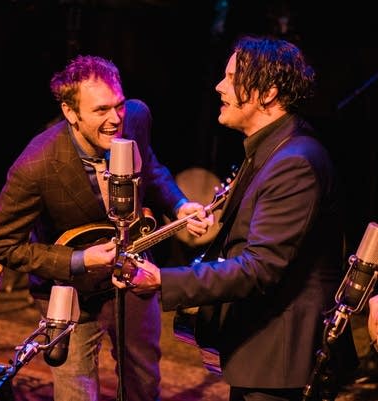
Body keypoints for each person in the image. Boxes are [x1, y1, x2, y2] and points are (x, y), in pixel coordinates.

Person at [115, 35, 359, 401]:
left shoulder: (295, 162)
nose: (218, 86)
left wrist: (163, 280)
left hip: (282, 364)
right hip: (264, 355)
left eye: (231, 78)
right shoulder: (273, 147)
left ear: (268, 93)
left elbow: (260, 268)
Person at [0, 54, 213, 401]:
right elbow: (0, 244)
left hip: (133, 273)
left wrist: (180, 204)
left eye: (118, 106)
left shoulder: (136, 118)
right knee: (76, 389)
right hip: (69, 289)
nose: (115, 119)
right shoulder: (37, 165)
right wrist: (81, 259)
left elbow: (149, 167)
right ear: (70, 113)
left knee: (142, 382)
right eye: (101, 110)